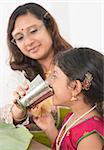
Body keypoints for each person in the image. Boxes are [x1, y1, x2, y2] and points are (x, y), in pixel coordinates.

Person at [16, 47, 104, 149]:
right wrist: (49, 128)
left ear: (75, 88)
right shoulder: (73, 116)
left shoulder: (89, 137)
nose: (49, 82)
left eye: (54, 76)